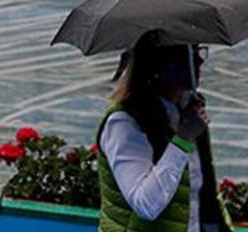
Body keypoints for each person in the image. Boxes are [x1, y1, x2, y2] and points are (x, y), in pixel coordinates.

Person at [95, 31, 233, 232]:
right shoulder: (124, 123)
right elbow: (146, 205)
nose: (198, 62)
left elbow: (199, 196)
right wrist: (183, 140)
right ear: (156, 65)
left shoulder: (187, 113)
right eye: (184, 55)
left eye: (197, 51)